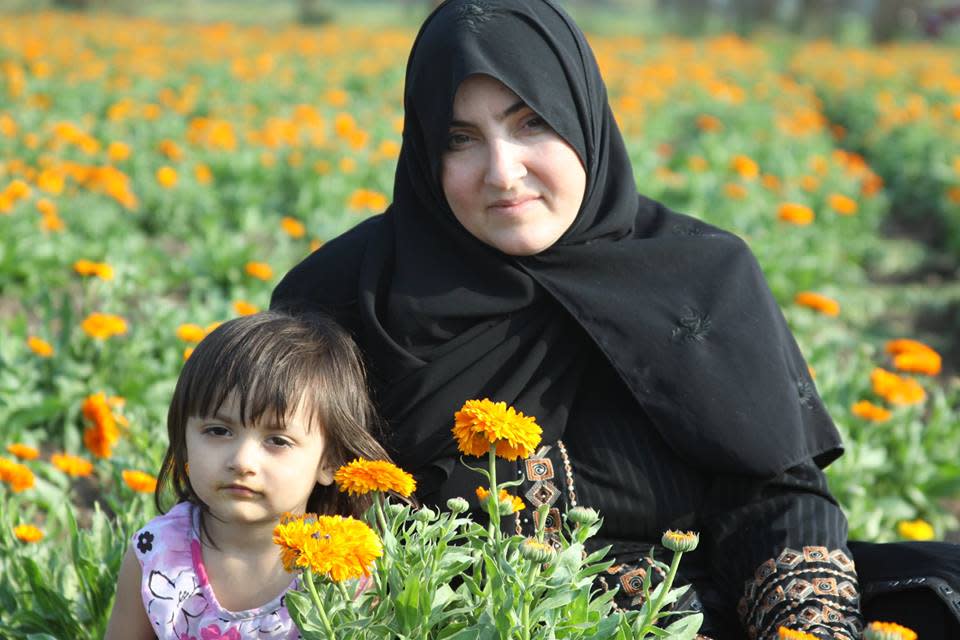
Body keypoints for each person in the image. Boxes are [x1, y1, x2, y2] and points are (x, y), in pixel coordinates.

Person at [271, 1, 960, 638]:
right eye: (460, 138)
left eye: (530, 122)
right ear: (423, 152)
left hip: (686, 613)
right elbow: (270, 504)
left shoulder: (700, 278)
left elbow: (775, 501)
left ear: (583, 118)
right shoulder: (346, 299)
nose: (503, 172)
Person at [104, 311, 392, 640]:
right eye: (218, 430)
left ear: (329, 461)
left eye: (278, 440)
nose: (242, 461)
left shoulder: (348, 571)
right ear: (183, 438)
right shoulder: (155, 553)